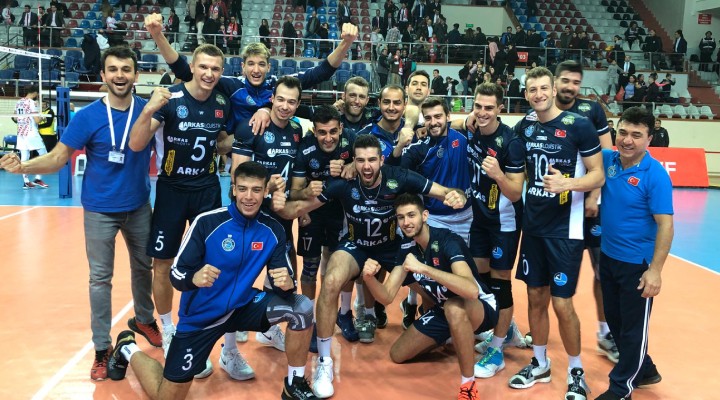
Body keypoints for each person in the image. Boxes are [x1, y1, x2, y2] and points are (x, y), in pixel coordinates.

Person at [0, 46, 158, 381]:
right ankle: (102, 347)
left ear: (136, 75)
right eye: (113, 69)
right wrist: (23, 167)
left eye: (126, 69)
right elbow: (58, 157)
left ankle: (144, 319)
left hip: (139, 206)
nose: (119, 76)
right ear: (103, 75)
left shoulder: (148, 111)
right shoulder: (87, 116)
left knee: (144, 268)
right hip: (100, 210)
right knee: (99, 279)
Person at [276, 134, 468, 398]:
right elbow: (297, 208)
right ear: (353, 161)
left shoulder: (399, 177)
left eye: (372, 160)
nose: (366, 166)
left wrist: (458, 197)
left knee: (433, 290)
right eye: (360, 160)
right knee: (330, 281)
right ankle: (324, 362)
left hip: (391, 247)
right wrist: (277, 202)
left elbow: (445, 191)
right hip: (356, 245)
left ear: (381, 160)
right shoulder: (343, 183)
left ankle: (443, 330)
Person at [105, 161, 318, 400]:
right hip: (201, 317)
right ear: (233, 189)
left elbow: (284, 279)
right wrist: (193, 278)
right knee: (167, 396)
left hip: (242, 306)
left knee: (301, 307)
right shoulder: (207, 223)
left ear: (265, 191)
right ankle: (127, 348)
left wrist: (288, 283)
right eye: (243, 189)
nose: (249, 197)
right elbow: (176, 273)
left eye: (256, 190)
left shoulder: (273, 230)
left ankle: (294, 383)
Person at [128, 43, 233, 378]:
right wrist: (147, 109)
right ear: (193, 67)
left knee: (212, 262)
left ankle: (202, 326)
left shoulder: (221, 103)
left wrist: (246, 135)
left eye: (215, 69)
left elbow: (223, 141)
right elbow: (136, 143)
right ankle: (169, 329)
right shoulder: (170, 99)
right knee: (163, 263)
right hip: (172, 190)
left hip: (207, 189)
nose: (209, 74)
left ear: (221, 72)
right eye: (203, 67)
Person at [510, 67, 605, 399]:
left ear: (553, 90)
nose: (538, 94)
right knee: (535, 297)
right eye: (532, 89)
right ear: (526, 94)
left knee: (562, 304)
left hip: (566, 230)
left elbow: (598, 175)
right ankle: (540, 363)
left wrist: (568, 184)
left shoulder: (579, 125)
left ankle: (576, 372)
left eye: (543, 88)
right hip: (534, 228)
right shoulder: (524, 128)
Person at [363, 193, 498, 400]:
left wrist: (424, 269)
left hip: (480, 306)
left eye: (411, 215)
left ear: (424, 215)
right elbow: (387, 296)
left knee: (454, 307)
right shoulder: (407, 248)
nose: (406, 222)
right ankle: (453, 333)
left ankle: (468, 386)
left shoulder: (448, 240)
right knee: (398, 354)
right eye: (401, 217)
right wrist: (370, 278)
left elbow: (471, 290)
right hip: (444, 309)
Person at [145, 13, 357, 136]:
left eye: (261, 64)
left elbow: (320, 73)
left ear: (269, 67)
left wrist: (345, 44)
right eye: (251, 64)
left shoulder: (278, 85)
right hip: (240, 156)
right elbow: (184, 70)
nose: (256, 70)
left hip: (273, 154)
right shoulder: (231, 85)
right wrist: (158, 35)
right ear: (243, 67)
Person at [441, 84, 526, 380]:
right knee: (478, 278)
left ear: (500, 108)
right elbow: (453, 122)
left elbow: (515, 193)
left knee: (501, 283)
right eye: (478, 106)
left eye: (489, 107)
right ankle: (507, 328)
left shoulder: (511, 143)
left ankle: (497, 350)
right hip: (479, 219)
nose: (483, 112)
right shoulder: (474, 127)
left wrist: (498, 174)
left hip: (504, 223)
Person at [594, 106, 673, 400]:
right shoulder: (609, 160)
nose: (627, 140)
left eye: (636, 135)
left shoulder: (656, 176)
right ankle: (646, 369)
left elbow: (666, 225)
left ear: (649, 139)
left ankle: (621, 388)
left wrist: (655, 271)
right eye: (623, 133)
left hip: (636, 265)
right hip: (608, 257)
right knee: (616, 324)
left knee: (633, 329)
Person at [548, 61, 618, 370]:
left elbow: (606, 157)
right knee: (552, 276)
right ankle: (542, 331)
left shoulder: (592, 111)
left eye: (576, 82)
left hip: (591, 208)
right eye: (565, 80)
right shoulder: (544, 110)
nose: (570, 87)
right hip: (557, 211)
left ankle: (606, 332)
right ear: (555, 82)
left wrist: (594, 196)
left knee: (602, 271)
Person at [231, 76, 305, 351]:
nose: (285, 106)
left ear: (298, 104)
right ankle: (229, 346)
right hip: (250, 213)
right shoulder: (252, 126)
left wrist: (301, 204)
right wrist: (266, 189)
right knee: (240, 271)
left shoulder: (297, 130)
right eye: (280, 99)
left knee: (283, 275)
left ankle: (269, 329)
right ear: (271, 98)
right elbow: (237, 178)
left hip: (281, 214)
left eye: (291, 102)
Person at [399, 97, 473, 329]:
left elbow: (478, 120)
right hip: (436, 218)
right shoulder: (419, 149)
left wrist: (467, 120)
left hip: (466, 218)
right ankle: (429, 318)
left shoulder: (465, 138)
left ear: (448, 116)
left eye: (438, 116)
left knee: (462, 273)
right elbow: (398, 171)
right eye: (428, 118)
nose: (433, 122)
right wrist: (406, 135)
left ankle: (464, 320)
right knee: (433, 274)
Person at [289, 105, 356, 351]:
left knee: (338, 266)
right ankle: (310, 321)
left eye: (333, 132)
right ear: (314, 132)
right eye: (322, 133)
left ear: (341, 129)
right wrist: (307, 192)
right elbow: (294, 191)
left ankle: (341, 313)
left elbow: (372, 164)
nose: (328, 138)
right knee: (310, 268)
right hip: (313, 214)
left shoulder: (351, 141)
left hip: (342, 213)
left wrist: (352, 166)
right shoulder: (305, 149)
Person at [13, 86, 49, 189]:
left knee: (24, 157)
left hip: (21, 133)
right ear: (35, 93)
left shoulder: (18, 102)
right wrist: (42, 118)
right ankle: (37, 178)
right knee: (44, 155)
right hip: (31, 133)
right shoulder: (32, 103)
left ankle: (26, 182)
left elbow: (15, 118)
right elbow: (37, 120)